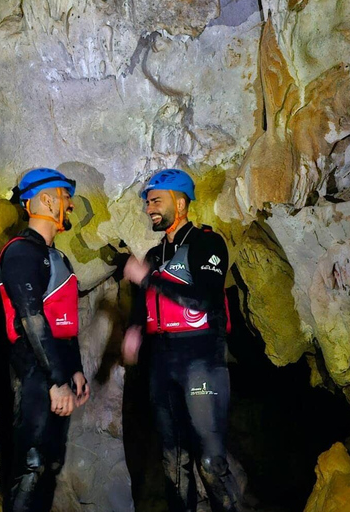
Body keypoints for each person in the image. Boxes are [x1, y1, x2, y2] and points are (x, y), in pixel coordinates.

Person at [122, 169, 244, 512]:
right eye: (148, 203)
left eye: (156, 201)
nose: (149, 209)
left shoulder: (207, 243)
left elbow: (203, 298)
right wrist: (134, 329)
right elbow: (141, 304)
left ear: (181, 202)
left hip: (201, 358)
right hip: (161, 362)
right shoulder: (154, 256)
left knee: (210, 462)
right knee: (173, 462)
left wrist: (148, 279)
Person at [0, 168, 90, 512]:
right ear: (47, 200)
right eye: (65, 197)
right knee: (32, 463)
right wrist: (55, 381)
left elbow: (64, 320)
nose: (69, 204)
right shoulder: (20, 252)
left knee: (50, 463)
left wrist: (75, 369)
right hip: (34, 366)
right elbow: (31, 320)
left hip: (57, 364)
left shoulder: (57, 257)